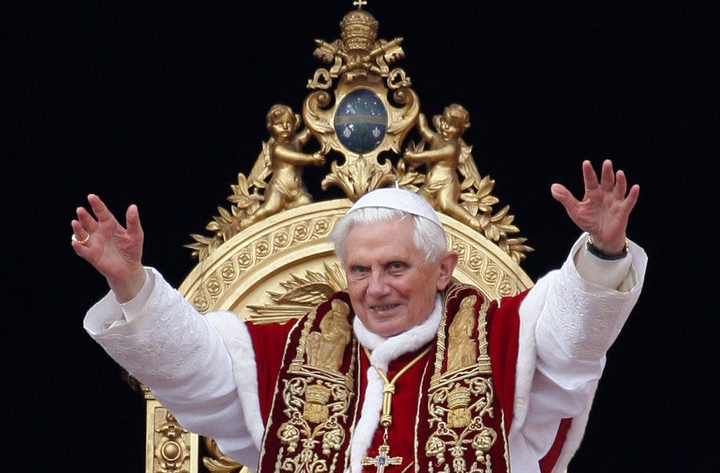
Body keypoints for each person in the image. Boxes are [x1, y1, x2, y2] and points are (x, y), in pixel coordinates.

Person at [71, 158, 646, 473]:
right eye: (360, 271)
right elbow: (191, 366)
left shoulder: (503, 340)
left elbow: (574, 340)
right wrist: (130, 283)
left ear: (443, 269)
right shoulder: (288, 354)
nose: (375, 290)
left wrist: (602, 254)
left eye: (395, 267)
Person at [240, 104, 325, 228]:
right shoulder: (277, 148)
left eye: (289, 123)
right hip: (279, 188)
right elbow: (295, 158)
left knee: (306, 202)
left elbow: (308, 132)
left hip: (297, 190)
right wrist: (312, 159)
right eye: (279, 124)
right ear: (271, 127)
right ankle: (250, 220)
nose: (285, 127)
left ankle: (289, 207)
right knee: (270, 207)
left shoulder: (296, 141)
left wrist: (314, 117)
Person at [404, 103, 481, 229]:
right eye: (443, 122)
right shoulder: (437, 138)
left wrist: (413, 157)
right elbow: (424, 130)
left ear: (461, 130)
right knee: (416, 203)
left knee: (446, 204)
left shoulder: (453, 148)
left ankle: (472, 222)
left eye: (452, 126)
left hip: (447, 184)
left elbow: (432, 155)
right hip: (429, 186)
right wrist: (417, 114)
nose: (445, 127)